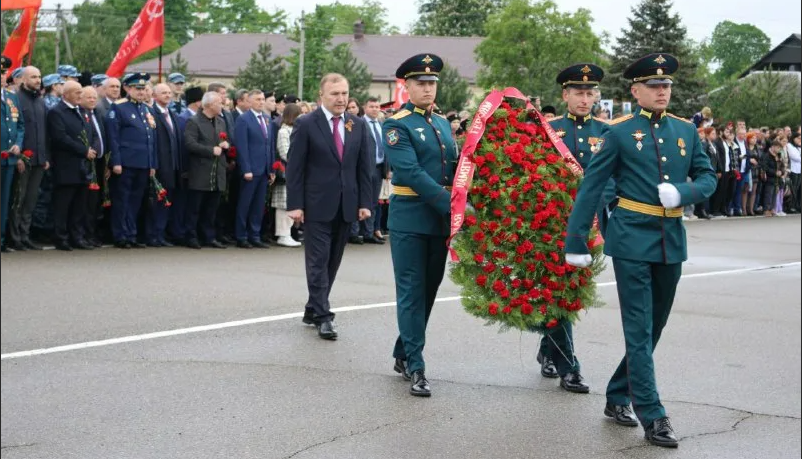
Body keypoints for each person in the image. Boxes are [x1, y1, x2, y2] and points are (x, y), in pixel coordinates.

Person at [564, 53, 716, 448]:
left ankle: (617, 394)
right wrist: (575, 239)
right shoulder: (616, 132)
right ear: (635, 90)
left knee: (654, 328)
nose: (662, 91)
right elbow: (592, 187)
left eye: (666, 85)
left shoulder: (686, 131)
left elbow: (708, 177)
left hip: (671, 239)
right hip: (631, 238)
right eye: (653, 85)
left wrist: (683, 193)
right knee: (638, 327)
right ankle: (653, 413)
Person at [383, 54, 457, 397]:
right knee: (412, 292)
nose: (428, 88)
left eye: (432, 83)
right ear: (407, 87)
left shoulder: (442, 124)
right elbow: (411, 173)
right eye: (421, 83)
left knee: (428, 291)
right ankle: (416, 364)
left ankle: (403, 351)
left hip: (438, 223)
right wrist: (453, 204)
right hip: (410, 219)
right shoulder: (396, 124)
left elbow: (455, 168)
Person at [538, 63, 612, 394]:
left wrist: (593, 207)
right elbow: (537, 174)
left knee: (573, 292)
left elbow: (612, 179)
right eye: (578, 93)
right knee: (558, 291)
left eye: (590, 93)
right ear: (565, 95)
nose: (585, 98)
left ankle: (548, 348)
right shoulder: (550, 130)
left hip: (589, 223)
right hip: (554, 222)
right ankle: (569, 365)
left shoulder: (607, 131)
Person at [286, 73, 374, 340]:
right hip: (315, 205)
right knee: (317, 261)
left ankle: (313, 307)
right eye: (335, 93)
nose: (341, 98)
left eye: (345, 93)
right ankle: (324, 316)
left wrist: (365, 203)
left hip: (346, 205)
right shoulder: (306, 123)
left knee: (332, 262)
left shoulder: (357, 125)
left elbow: (364, 167)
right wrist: (296, 204)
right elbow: (295, 167)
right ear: (321, 96)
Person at [106, 72, 158, 249]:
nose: (141, 92)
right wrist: (116, 162)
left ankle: (131, 233)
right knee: (122, 199)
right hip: (126, 163)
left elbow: (152, 140)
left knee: (136, 200)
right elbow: (113, 138)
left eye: (143, 89)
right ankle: (120, 235)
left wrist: (153, 164)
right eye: (137, 88)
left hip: (143, 163)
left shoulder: (147, 109)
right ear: (127, 88)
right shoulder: (119, 107)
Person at [48, 81, 95, 251]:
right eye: (77, 92)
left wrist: (90, 149)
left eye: (81, 92)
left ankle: (77, 237)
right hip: (66, 165)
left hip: (82, 166)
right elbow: (60, 137)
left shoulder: (80, 111)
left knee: (79, 205)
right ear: (66, 94)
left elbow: (89, 132)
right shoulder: (57, 112)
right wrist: (84, 150)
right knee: (63, 204)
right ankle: (61, 237)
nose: (80, 96)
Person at [8, 65, 48, 251]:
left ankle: (25, 235)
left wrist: (46, 156)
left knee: (31, 200)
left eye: (39, 77)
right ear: (22, 79)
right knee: (19, 199)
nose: (37, 80)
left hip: (39, 159)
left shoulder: (40, 101)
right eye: (33, 77)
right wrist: (18, 157)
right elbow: (16, 130)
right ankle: (14, 236)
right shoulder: (16, 99)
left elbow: (45, 132)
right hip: (22, 159)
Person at [183, 91, 229, 249]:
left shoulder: (220, 121)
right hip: (200, 171)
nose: (222, 105)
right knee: (195, 207)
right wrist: (210, 150)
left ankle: (208, 236)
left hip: (217, 171)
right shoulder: (194, 121)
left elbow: (223, 139)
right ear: (208, 105)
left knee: (211, 208)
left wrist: (225, 145)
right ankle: (191, 236)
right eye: (219, 103)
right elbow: (190, 144)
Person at [234, 89, 274, 249]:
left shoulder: (266, 119)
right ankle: (241, 235)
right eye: (257, 99)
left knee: (258, 205)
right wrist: (246, 169)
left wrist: (271, 168)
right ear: (249, 102)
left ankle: (254, 235)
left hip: (264, 169)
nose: (261, 102)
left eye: (263, 99)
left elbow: (269, 145)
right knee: (245, 204)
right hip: (251, 170)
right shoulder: (244, 119)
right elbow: (241, 146)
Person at [147, 83, 182, 247]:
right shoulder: (151, 114)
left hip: (174, 165)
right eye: (163, 93)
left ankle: (163, 233)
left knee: (169, 201)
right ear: (154, 96)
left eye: (169, 93)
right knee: (158, 201)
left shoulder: (172, 114)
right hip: (160, 165)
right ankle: (154, 234)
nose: (168, 95)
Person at [79, 85, 108, 247]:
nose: (92, 100)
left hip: (100, 162)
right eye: (89, 97)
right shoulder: (81, 114)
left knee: (95, 202)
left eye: (94, 97)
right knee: (86, 202)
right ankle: (83, 234)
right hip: (86, 162)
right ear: (81, 98)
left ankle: (91, 233)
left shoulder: (97, 113)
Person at [1, 55, 25, 253]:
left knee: (5, 200)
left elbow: (20, 125)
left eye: (3, 73)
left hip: (9, 159)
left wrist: (18, 144)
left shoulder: (11, 97)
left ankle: (1, 239)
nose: (1, 76)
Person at [272, 103, 302, 247]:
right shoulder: (284, 131)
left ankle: (289, 233)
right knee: (283, 205)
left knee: (292, 204)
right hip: (288, 172)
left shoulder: (297, 130)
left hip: (297, 172)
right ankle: (283, 234)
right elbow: (285, 152)